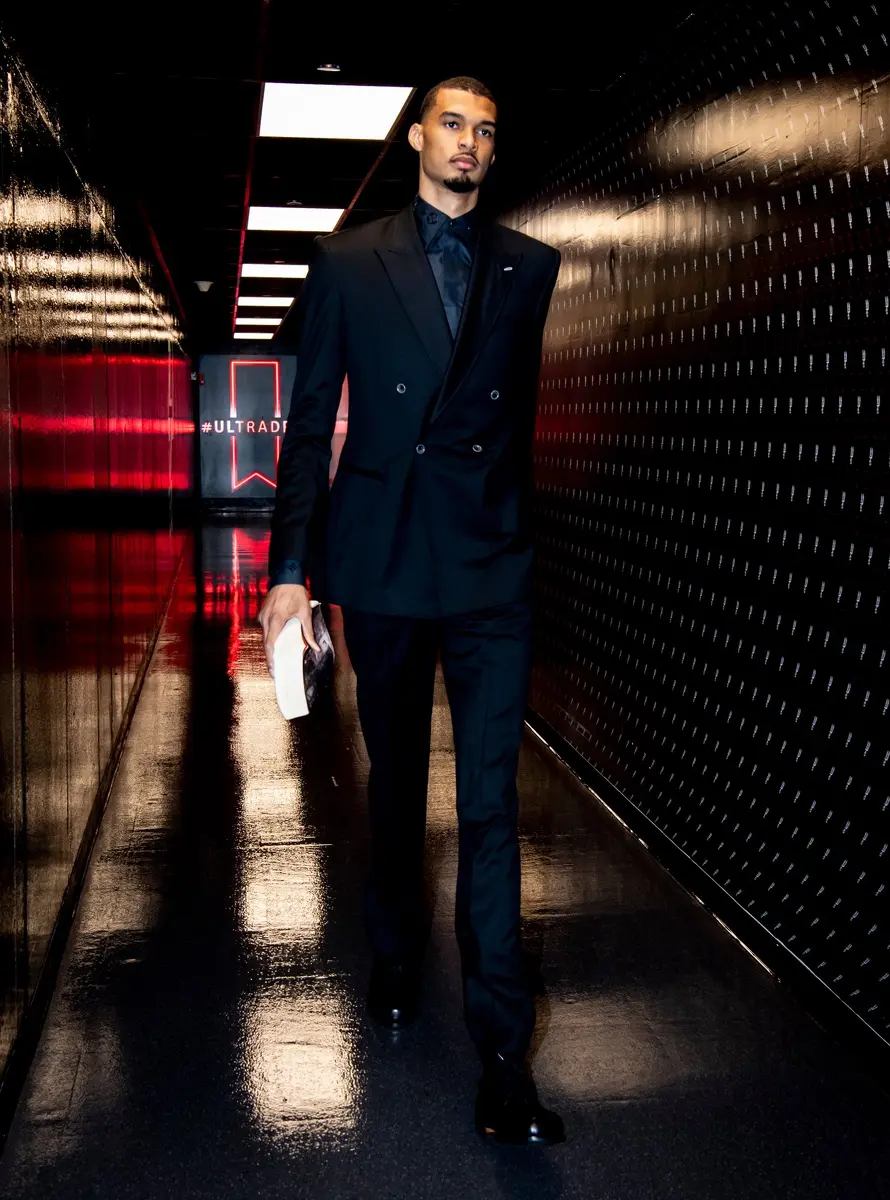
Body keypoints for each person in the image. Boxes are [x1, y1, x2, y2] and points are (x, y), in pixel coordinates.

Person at [258, 75, 563, 1146]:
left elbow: (515, 425)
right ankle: (393, 951)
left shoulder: (532, 268)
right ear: (415, 137)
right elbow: (306, 430)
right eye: (453, 124)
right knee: (397, 786)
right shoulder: (346, 263)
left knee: (488, 811)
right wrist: (289, 570)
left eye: (488, 128)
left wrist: (519, 537)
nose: (471, 141)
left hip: (487, 571)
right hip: (381, 563)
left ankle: (501, 1059)